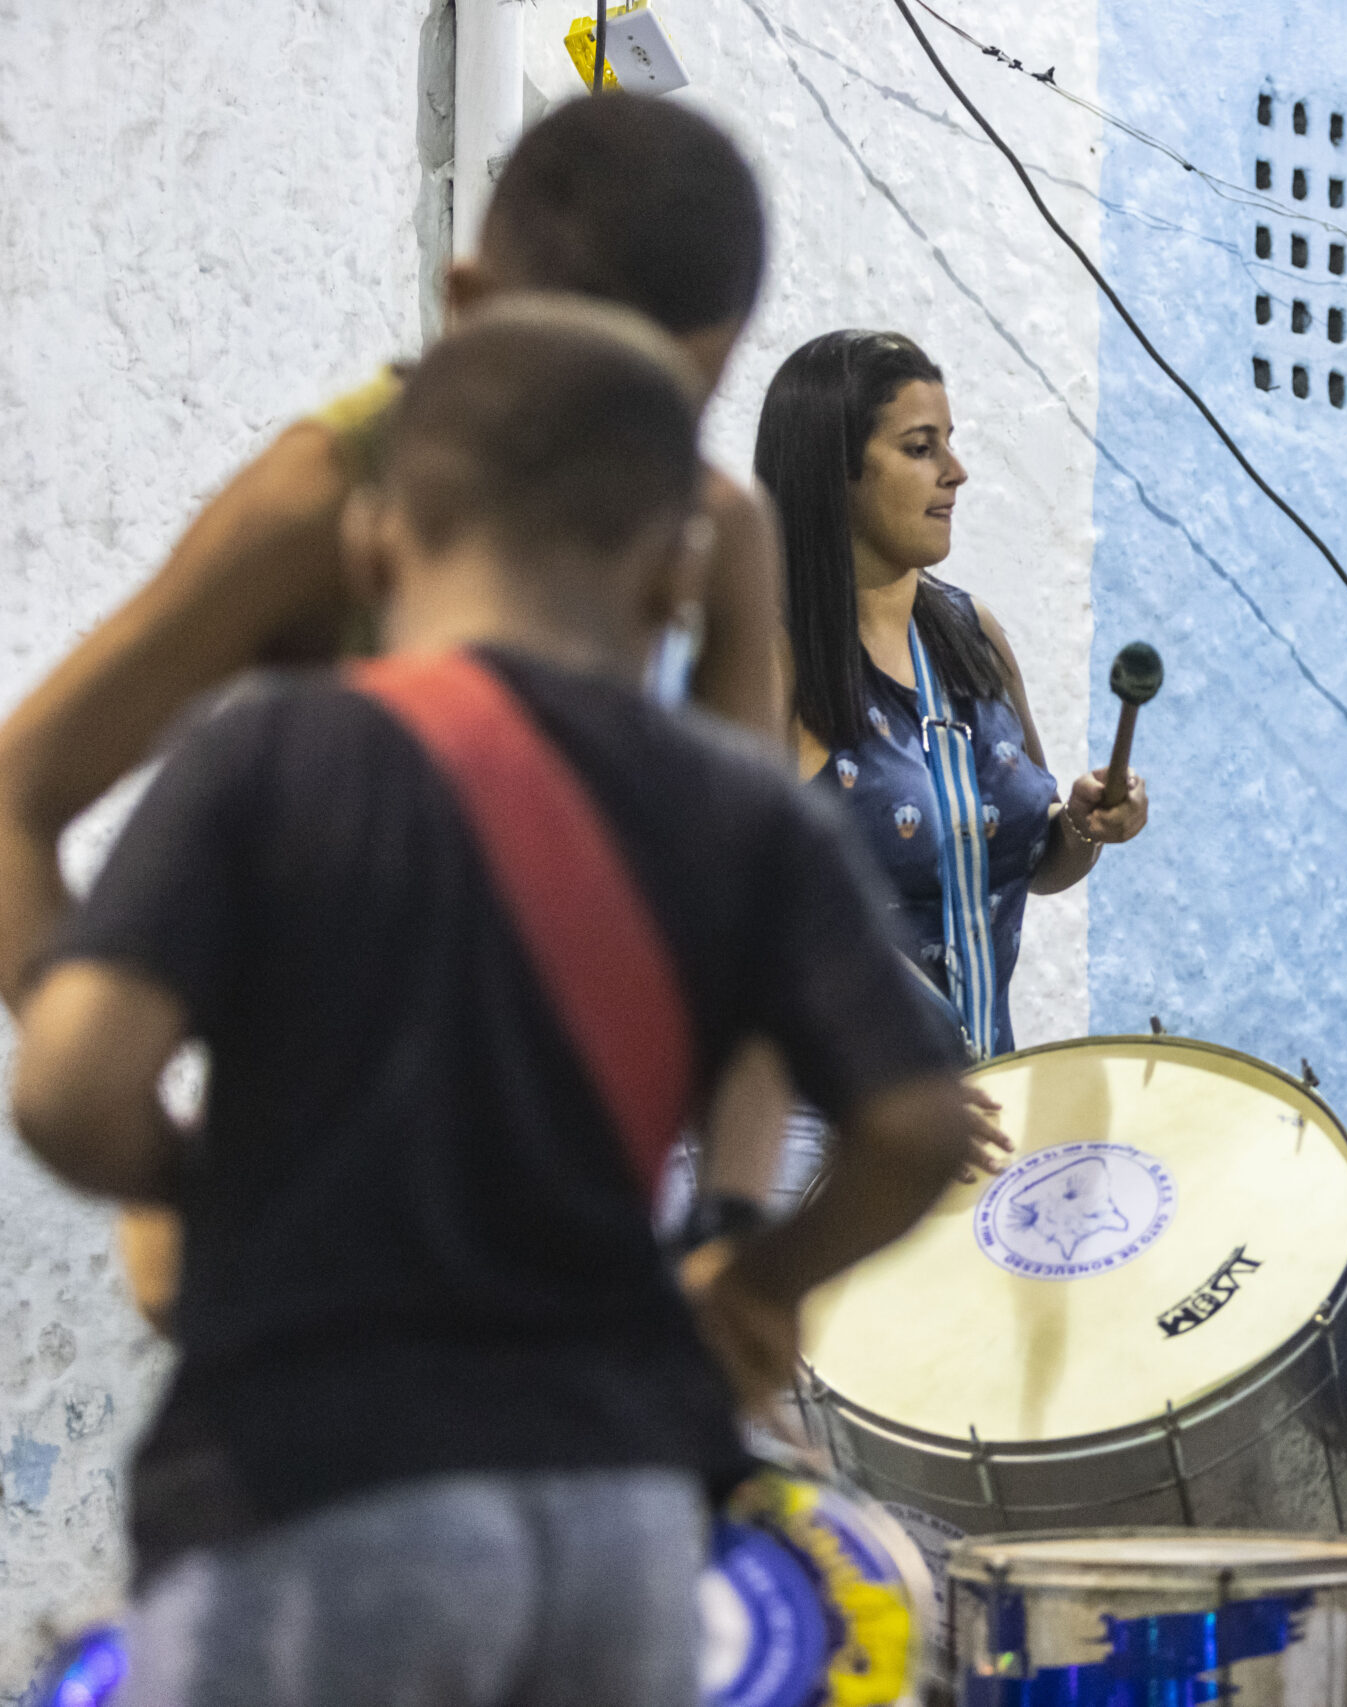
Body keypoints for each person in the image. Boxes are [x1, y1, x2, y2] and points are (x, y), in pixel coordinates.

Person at [7, 300, 987, 1706]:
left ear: (373, 543)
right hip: (617, 1513)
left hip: (316, 1486)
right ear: (673, 576)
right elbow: (915, 1122)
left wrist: (209, 1195)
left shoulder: (278, 755)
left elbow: (70, 1089)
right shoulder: (736, 810)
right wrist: (761, 1278)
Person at [0, 93, 791, 1323]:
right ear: (469, 305)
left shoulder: (714, 532)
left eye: (678, 407)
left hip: (562, 1227)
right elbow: (16, 795)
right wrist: (172, 1183)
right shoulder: (322, 500)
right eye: (591, 391)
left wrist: (731, 1227)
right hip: (325, 1239)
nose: (633, 456)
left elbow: (760, 911)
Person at [755, 330, 1149, 1061]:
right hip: (835, 1110)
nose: (957, 472)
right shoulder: (774, 659)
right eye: (920, 447)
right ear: (833, 469)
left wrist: (1086, 823)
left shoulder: (973, 636)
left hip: (981, 1095)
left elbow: (1035, 859)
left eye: (950, 443)